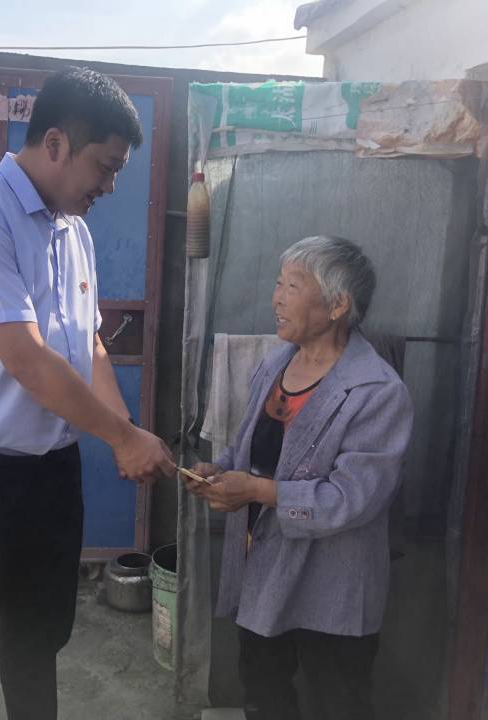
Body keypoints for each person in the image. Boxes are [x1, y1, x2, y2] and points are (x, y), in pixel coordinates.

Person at [0, 67, 175, 720]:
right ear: (55, 143)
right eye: (105, 167)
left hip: (50, 478)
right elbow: (26, 359)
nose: (109, 186)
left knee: (38, 643)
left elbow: (88, 345)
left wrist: (125, 433)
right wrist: (123, 437)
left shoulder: (74, 231)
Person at [183, 236, 414, 720]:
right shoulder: (276, 363)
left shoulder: (377, 391)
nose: (277, 299)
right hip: (264, 568)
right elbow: (251, 447)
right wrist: (220, 470)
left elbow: (350, 499)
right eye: (278, 283)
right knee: (264, 692)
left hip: (333, 581)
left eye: (293, 286)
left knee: (338, 702)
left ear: (338, 304)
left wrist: (255, 491)